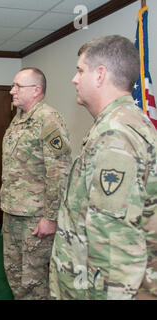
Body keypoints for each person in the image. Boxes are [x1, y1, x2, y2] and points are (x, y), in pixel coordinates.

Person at [49, 35, 157, 300]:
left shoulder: (115, 135)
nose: (74, 79)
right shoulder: (118, 124)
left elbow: (112, 244)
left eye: (79, 70)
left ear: (99, 75)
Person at [0, 67, 72, 300]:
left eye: (18, 86)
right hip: (12, 212)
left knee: (35, 280)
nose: (12, 91)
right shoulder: (18, 120)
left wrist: (50, 217)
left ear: (36, 90)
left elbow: (59, 171)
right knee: (15, 273)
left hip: (35, 217)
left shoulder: (48, 119)